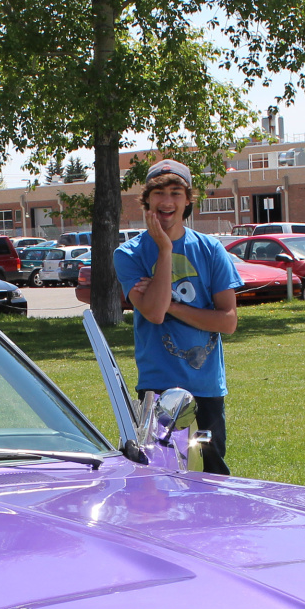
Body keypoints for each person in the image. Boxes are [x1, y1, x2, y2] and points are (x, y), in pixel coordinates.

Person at [117, 157, 243, 474]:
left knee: (210, 473)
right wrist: (163, 250)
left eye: (176, 192)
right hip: (157, 388)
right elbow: (154, 314)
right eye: (159, 193)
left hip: (206, 388)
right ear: (147, 200)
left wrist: (173, 304)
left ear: (188, 200)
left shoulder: (211, 250)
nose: (167, 201)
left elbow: (227, 321)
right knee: (156, 478)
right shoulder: (129, 254)